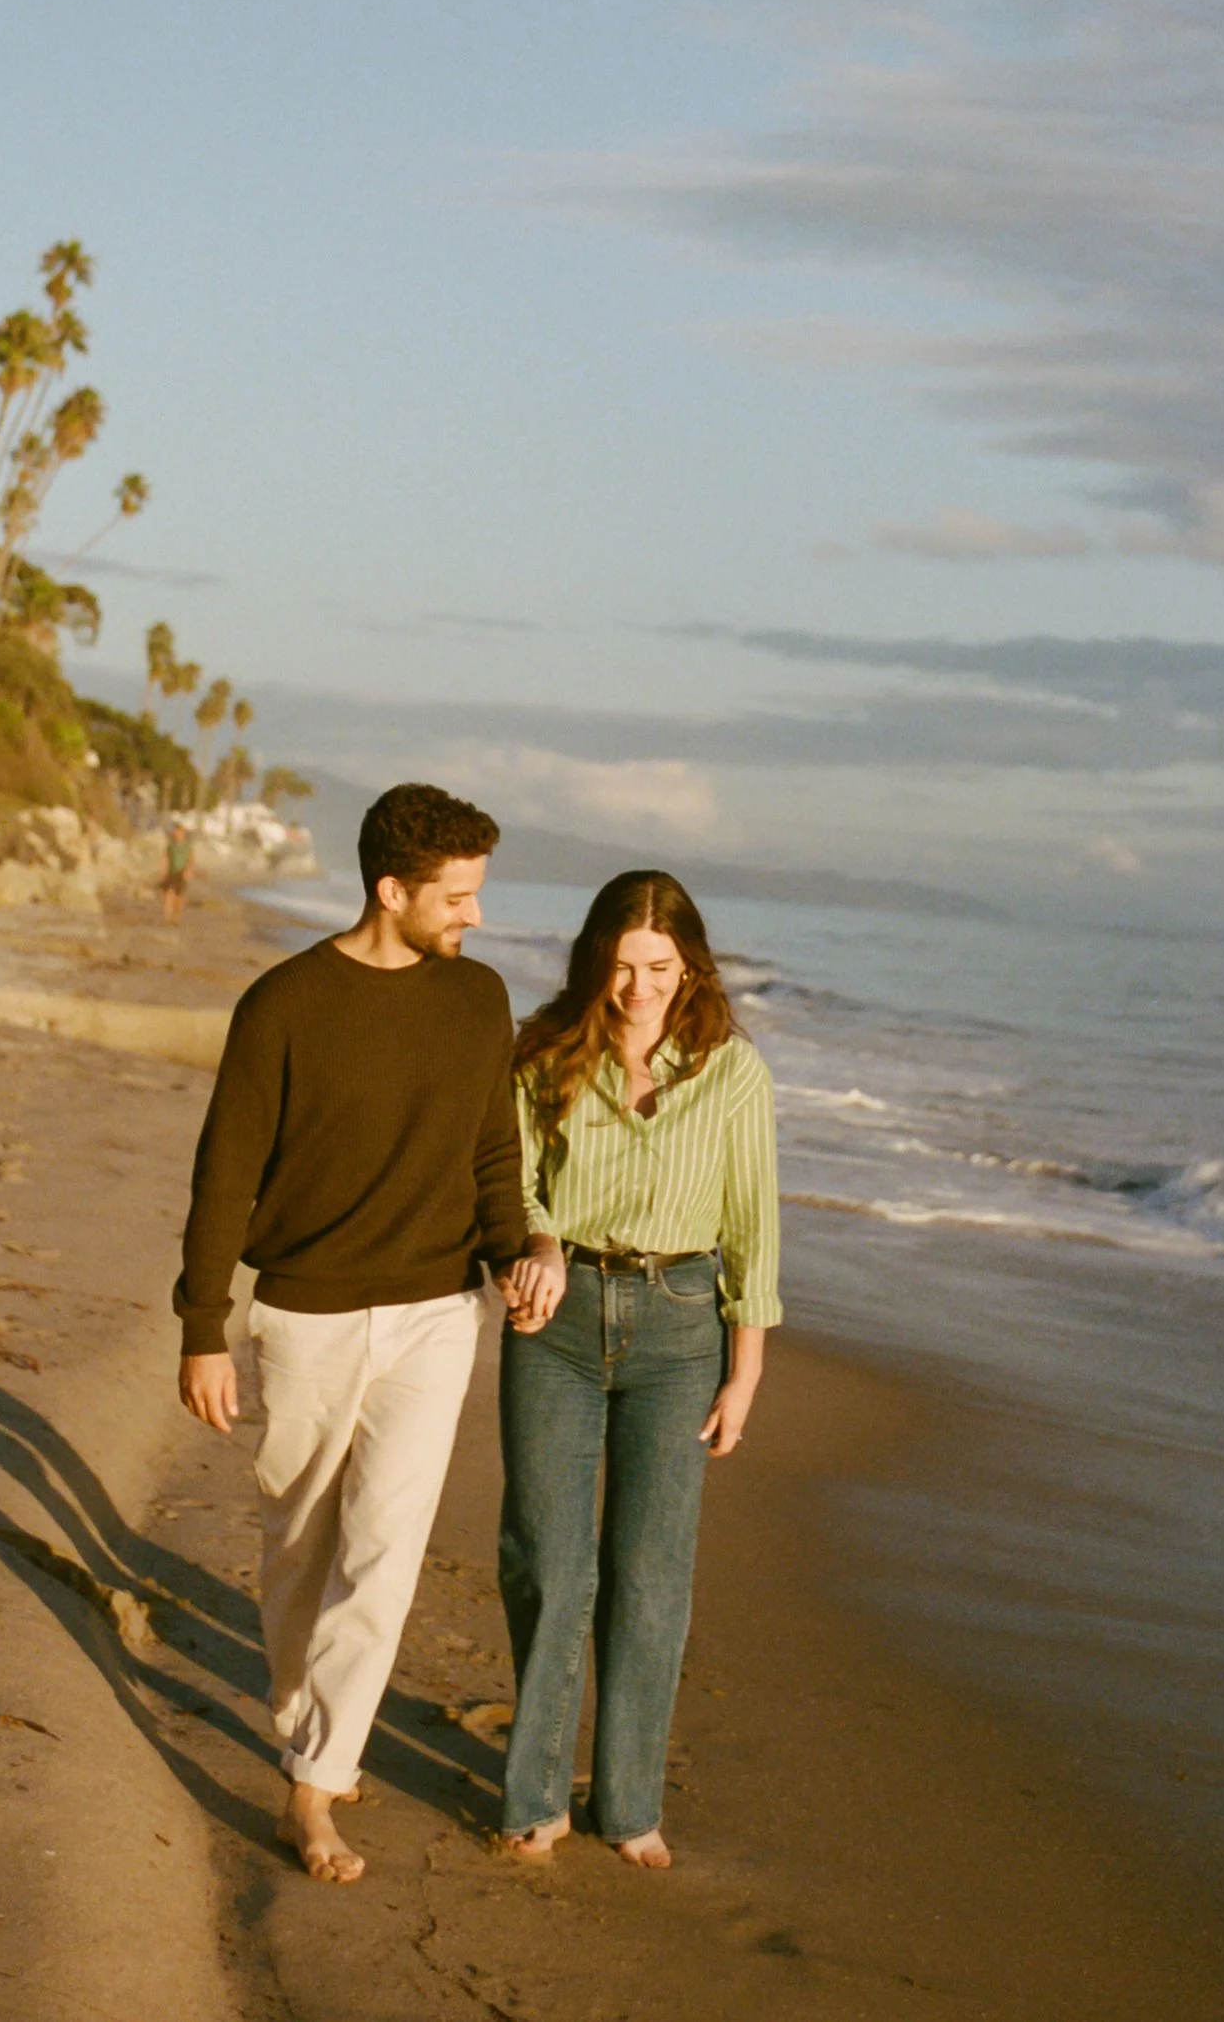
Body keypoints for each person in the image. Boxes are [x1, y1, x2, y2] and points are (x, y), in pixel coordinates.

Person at [174, 783, 560, 1885]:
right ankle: (303, 1714)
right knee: (296, 1545)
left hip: (437, 1315)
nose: (475, 916)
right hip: (303, 1316)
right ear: (390, 891)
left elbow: (493, 1152)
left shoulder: (476, 999)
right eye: (457, 896)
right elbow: (225, 1176)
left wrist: (517, 1253)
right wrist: (203, 1327)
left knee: (384, 1557)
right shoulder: (283, 1003)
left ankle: (314, 1785)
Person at [495, 870, 780, 1869]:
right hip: (557, 1322)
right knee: (546, 1560)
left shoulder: (733, 1072)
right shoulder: (542, 1054)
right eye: (620, 964)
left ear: (688, 965)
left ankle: (627, 1801)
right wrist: (536, 1242)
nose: (637, 985)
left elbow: (753, 1227)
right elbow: (519, 1177)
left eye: (657, 965)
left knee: (650, 1575)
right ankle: (533, 1791)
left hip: (678, 1328)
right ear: (593, 961)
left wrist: (743, 1374)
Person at [160, 818, 194, 925]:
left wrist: (188, 871)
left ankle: (176, 917)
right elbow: (165, 857)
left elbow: (191, 860)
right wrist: (163, 870)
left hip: (182, 873)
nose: (177, 833)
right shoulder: (171, 845)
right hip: (171, 872)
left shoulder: (187, 846)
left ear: (183, 833)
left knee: (179, 897)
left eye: (179, 831)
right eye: (175, 831)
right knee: (168, 894)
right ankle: (167, 917)